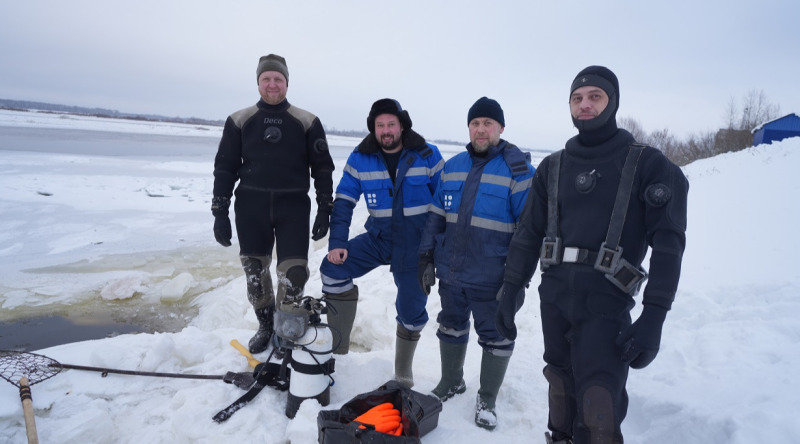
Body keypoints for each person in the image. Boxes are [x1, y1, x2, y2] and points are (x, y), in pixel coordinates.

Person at [495, 66, 689, 444]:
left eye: (595, 96)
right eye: (577, 98)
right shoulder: (553, 167)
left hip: (606, 302)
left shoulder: (648, 165)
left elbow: (669, 245)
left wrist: (654, 315)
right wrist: (511, 287)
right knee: (560, 388)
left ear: (613, 102)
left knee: (598, 403)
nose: (585, 104)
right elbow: (528, 234)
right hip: (554, 297)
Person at [418, 97, 535, 430]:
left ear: (501, 128)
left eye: (487, 123)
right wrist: (426, 256)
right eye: (475, 123)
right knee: (450, 325)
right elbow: (436, 215)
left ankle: (487, 398)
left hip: (493, 275)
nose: (480, 129)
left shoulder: (520, 172)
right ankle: (451, 381)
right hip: (452, 271)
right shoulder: (452, 166)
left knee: (496, 336)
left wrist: (518, 279)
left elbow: (529, 233)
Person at [212, 54, 335, 354]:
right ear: (258, 83)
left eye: (278, 79)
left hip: (293, 208)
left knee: (294, 274)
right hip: (250, 207)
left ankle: (285, 331)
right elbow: (225, 168)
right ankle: (266, 325)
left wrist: (324, 208)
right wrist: (220, 212)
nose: (272, 84)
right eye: (266, 78)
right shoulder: (239, 120)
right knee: (254, 271)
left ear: (287, 83)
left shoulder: (306, 121)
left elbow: (322, 168)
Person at [320, 98, 444, 388]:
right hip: (380, 238)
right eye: (380, 125)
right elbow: (344, 201)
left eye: (391, 124)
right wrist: (337, 242)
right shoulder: (360, 157)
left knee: (412, 308)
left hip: (416, 244)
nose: (386, 130)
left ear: (401, 126)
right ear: (373, 128)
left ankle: (403, 371)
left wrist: (440, 246)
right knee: (332, 269)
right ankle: (338, 355)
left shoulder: (427, 154)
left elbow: (446, 203)